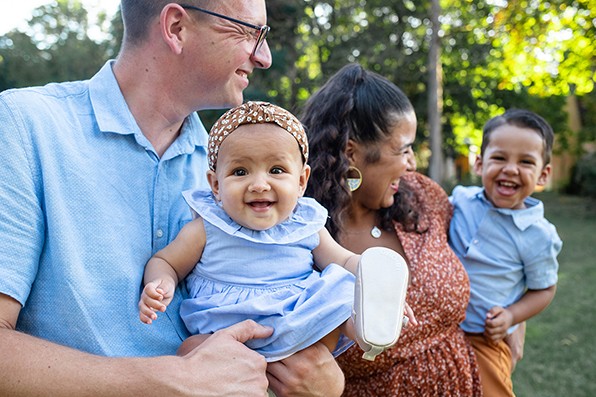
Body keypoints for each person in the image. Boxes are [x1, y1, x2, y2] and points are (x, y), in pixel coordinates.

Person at [0, 1, 345, 396]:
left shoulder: (235, 173)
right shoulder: (23, 126)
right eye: (250, 32)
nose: (263, 56)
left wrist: (323, 384)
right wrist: (170, 381)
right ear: (177, 26)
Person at [139, 100, 413, 363]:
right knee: (188, 350)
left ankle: (370, 328)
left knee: (343, 286)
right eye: (240, 171)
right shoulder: (207, 228)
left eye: (277, 170)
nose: (259, 184)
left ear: (302, 181)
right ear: (216, 185)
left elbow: (342, 260)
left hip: (295, 322)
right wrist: (160, 283)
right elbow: (167, 262)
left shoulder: (305, 227)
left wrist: (376, 283)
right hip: (223, 331)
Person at [301, 62, 483, 396]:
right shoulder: (304, 238)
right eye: (404, 150)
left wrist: (515, 318)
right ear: (351, 152)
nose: (413, 163)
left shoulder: (423, 197)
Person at [449, 108, 562, 397]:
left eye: (525, 162)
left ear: (543, 175)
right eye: (499, 158)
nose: (510, 169)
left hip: (484, 336)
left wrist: (512, 317)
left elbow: (544, 290)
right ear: (479, 163)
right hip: (439, 329)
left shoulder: (538, 234)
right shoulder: (461, 200)